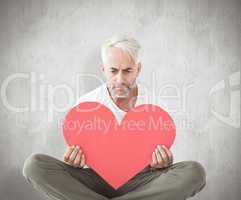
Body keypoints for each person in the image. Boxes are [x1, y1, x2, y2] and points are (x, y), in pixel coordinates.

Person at [22, 34, 206, 200]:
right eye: (113, 71)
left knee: (194, 172)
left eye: (127, 71)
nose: (119, 79)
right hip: (95, 181)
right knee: (34, 165)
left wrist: (163, 164)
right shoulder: (86, 105)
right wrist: (74, 161)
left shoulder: (156, 106)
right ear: (103, 69)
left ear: (138, 69)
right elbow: (78, 156)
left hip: (142, 182)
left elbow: (162, 163)